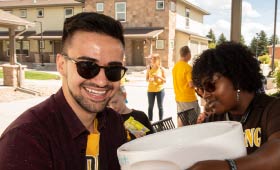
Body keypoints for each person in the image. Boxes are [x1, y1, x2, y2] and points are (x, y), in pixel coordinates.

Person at [0, 12, 128, 170]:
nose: (102, 81)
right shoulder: (26, 140)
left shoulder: (114, 124)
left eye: (113, 69)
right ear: (61, 65)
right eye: (87, 66)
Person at [189, 41, 280, 170]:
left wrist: (229, 167)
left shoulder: (272, 109)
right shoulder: (213, 120)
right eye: (201, 90)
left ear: (236, 79)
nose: (205, 95)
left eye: (210, 85)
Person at [172, 45, 200, 127]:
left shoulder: (175, 67)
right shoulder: (188, 68)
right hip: (189, 99)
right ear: (188, 54)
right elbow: (191, 84)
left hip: (179, 98)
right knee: (195, 122)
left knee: (181, 121)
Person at [146, 53, 166, 121]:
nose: (152, 60)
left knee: (160, 107)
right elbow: (146, 79)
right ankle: (150, 121)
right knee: (150, 107)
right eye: (152, 59)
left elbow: (165, 80)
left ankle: (161, 122)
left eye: (154, 59)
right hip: (150, 90)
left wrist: (159, 77)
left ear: (158, 60)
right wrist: (150, 80)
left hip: (160, 90)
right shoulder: (149, 67)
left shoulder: (161, 69)